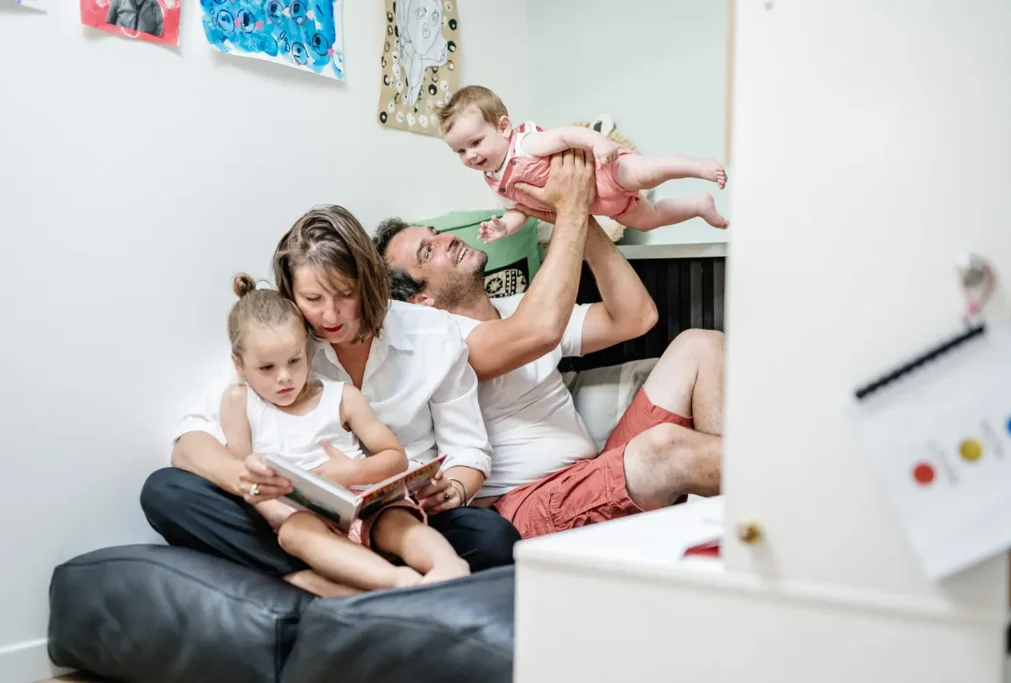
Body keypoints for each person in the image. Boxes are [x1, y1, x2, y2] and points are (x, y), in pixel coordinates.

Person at [141, 206, 521, 595]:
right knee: (166, 491)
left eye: (345, 294)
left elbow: (468, 450)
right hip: (301, 518)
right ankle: (332, 579)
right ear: (291, 293)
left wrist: (452, 490)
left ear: (370, 282)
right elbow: (190, 441)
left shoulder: (434, 334)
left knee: (493, 538)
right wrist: (246, 479)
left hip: (397, 511)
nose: (329, 314)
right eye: (312, 298)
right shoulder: (282, 344)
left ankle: (311, 581)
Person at [374, 148, 724, 539]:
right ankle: (782, 486)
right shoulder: (442, 344)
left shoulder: (516, 307)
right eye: (429, 251)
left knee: (701, 345)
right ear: (422, 301)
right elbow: (538, 332)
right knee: (664, 449)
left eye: (436, 235)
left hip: (594, 474)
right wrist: (570, 206)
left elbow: (636, 317)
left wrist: (576, 214)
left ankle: (734, 527)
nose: (448, 241)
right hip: (531, 503)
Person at [218, 273, 468, 595]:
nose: (284, 378)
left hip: (362, 499)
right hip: (298, 513)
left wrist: (352, 472)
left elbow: (395, 457)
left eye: (294, 361)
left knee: (396, 522)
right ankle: (400, 583)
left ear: (307, 350)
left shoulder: (341, 396)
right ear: (239, 365)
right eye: (266, 368)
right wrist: (277, 509)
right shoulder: (239, 402)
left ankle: (448, 564)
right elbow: (242, 472)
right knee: (295, 533)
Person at [437, 85, 729, 244]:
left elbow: (566, 135)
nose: (470, 156)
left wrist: (597, 142)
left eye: (475, 143)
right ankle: (698, 206)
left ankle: (698, 166)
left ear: (503, 126)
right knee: (650, 217)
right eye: (460, 151)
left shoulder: (524, 144)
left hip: (604, 170)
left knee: (646, 174)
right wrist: (504, 228)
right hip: (605, 204)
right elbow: (518, 211)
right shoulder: (495, 180)